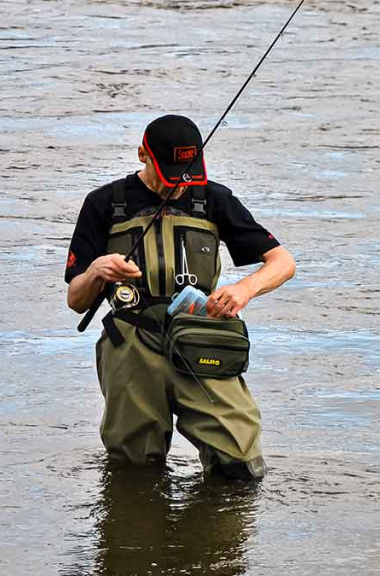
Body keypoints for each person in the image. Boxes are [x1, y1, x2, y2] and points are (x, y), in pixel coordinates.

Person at [65, 115, 295, 480]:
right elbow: (76, 301)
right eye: (169, 175)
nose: (178, 187)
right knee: (133, 470)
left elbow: (282, 262)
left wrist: (244, 289)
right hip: (131, 346)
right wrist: (95, 272)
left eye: (187, 175)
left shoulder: (214, 199)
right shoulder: (104, 204)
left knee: (240, 462)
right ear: (143, 154)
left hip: (203, 341)